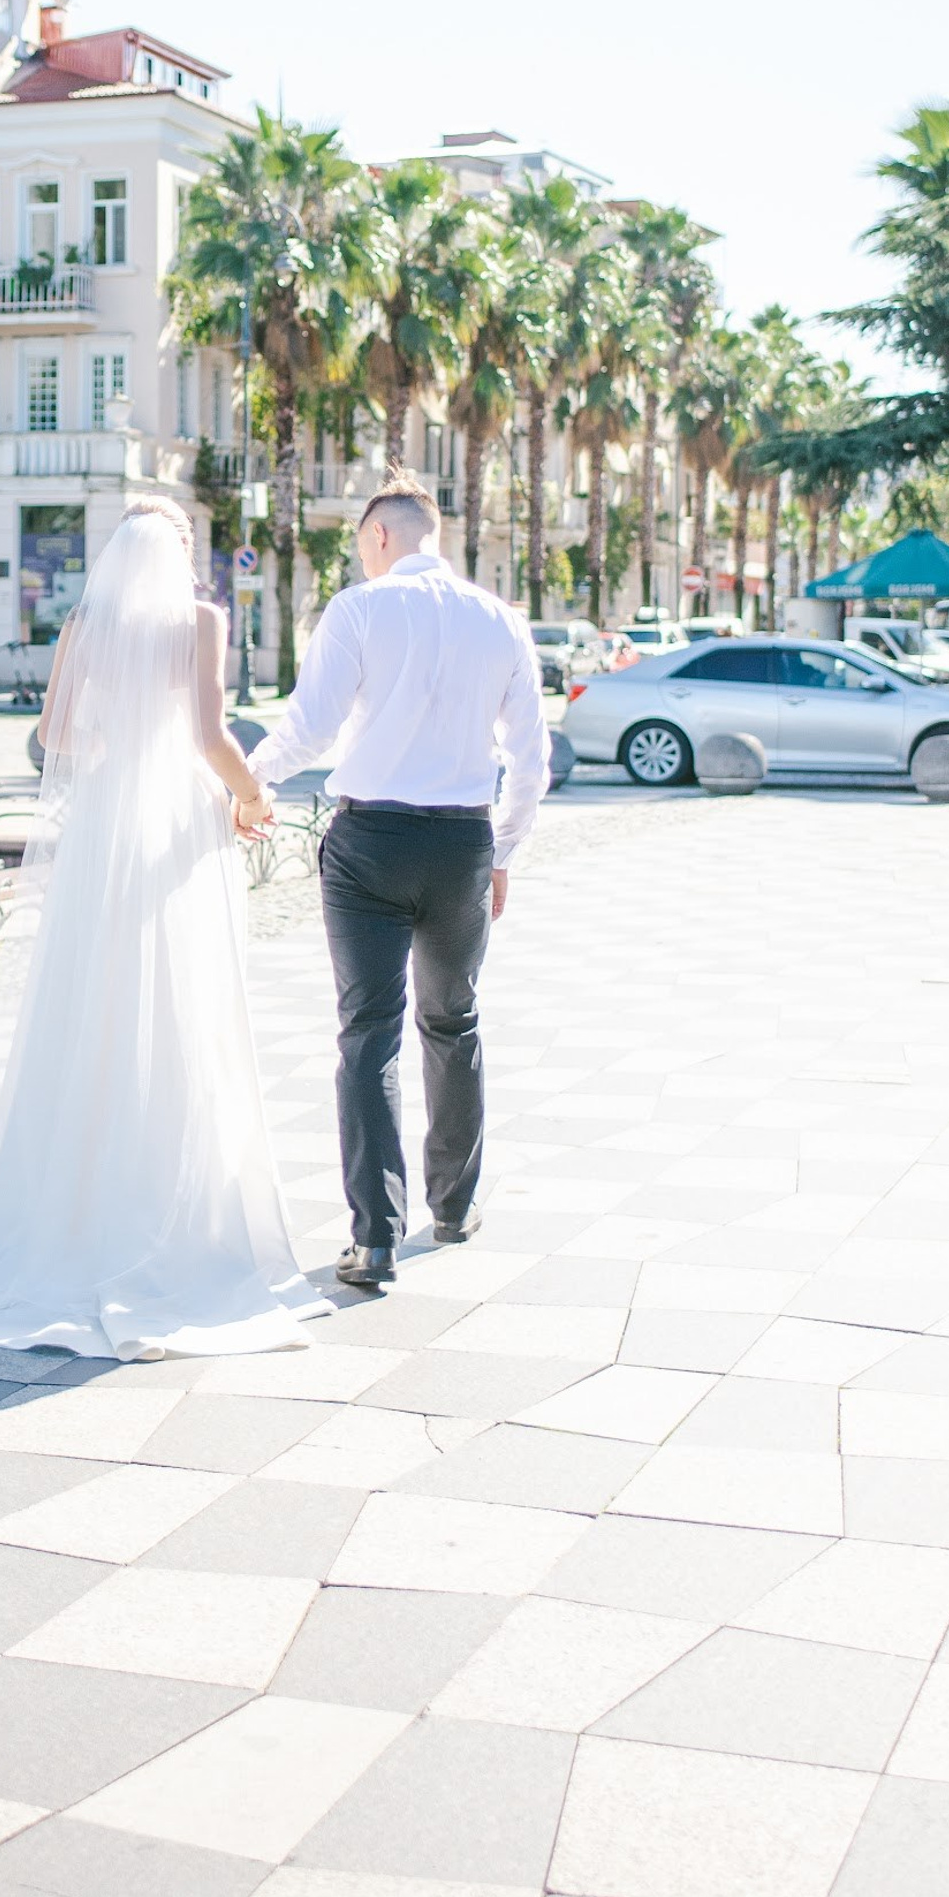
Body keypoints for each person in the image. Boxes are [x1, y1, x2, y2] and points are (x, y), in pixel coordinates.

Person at [0, 492, 329, 1362]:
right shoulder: (199, 619)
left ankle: (63, 1213)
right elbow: (210, 731)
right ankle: (171, 1209)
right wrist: (252, 796)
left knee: (87, 1000)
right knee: (181, 1006)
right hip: (178, 817)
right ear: (181, 552)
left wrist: (120, 760)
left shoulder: (85, 624)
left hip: (107, 821)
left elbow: (55, 733)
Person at [248, 469, 549, 1289]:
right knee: (454, 1021)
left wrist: (247, 783)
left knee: (369, 1033)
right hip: (461, 844)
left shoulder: (359, 608)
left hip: (369, 840)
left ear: (379, 536)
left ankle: (375, 1239)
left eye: (360, 545)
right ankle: (453, 1207)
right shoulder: (501, 621)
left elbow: (307, 730)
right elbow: (532, 761)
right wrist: (505, 854)